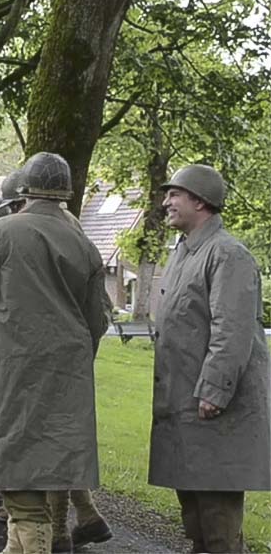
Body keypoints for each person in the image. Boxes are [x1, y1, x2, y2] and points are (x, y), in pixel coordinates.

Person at [0, 153, 109, 554]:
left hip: (9, 370)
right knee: (45, 464)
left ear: (23, 191)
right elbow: (97, 320)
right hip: (65, 373)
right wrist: (74, 361)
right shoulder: (85, 245)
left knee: (16, 474)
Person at [150, 164, 270, 553]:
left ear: (199, 201)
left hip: (215, 410)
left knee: (219, 523)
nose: (166, 201)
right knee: (196, 521)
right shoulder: (185, 251)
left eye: (175, 195)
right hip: (185, 405)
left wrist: (214, 391)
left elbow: (231, 331)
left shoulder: (228, 255)